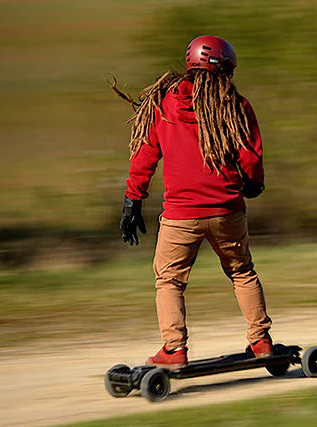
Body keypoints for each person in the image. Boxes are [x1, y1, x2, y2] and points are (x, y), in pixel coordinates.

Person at [113, 35, 273, 369]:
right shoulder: (236, 105)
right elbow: (250, 153)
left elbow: (144, 156)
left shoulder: (163, 103)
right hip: (227, 209)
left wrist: (133, 198)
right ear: (228, 69)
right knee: (242, 271)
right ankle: (260, 341)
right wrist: (254, 183)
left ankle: (174, 350)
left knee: (169, 280)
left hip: (180, 215)